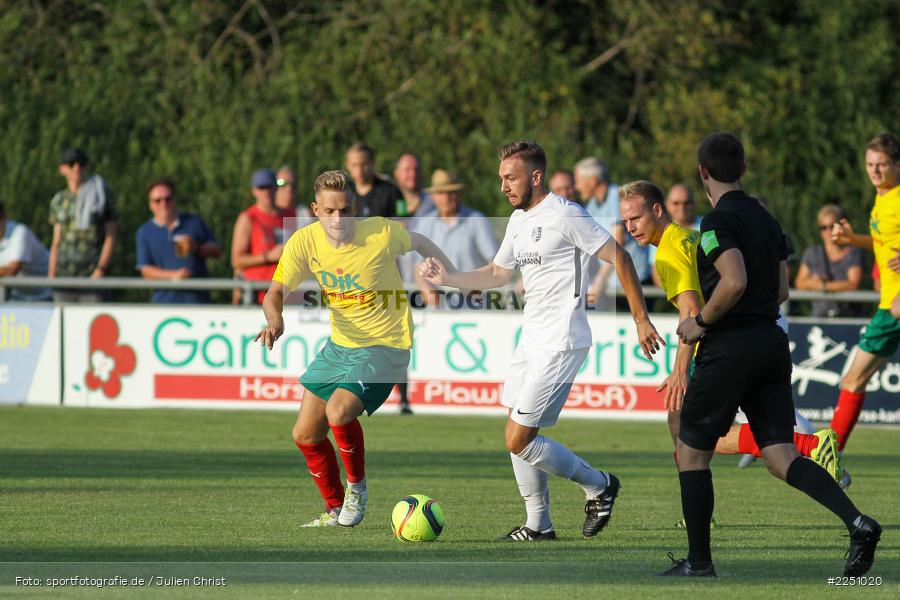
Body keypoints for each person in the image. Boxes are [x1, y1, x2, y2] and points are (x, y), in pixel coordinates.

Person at [420, 140, 665, 541]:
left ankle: (600, 485)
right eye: (501, 178)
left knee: (518, 438)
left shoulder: (566, 214)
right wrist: (447, 278)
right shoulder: (518, 220)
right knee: (516, 431)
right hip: (531, 339)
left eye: (511, 178)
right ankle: (539, 525)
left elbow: (620, 257)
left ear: (535, 176)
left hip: (562, 341)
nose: (504, 186)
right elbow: (497, 273)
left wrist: (640, 319)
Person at [659, 133, 879, 578]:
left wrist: (700, 322)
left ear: (703, 172)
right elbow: (781, 291)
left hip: (730, 347)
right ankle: (858, 522)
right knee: (780, 455)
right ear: (742, 169)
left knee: (691, 451)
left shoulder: (716, 222)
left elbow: (734, 279)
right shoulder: (767, 218)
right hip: (771, 345)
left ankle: (699, 562)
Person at [254, 170, 456, 528]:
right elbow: (274, 293)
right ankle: (334, 510)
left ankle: (357, 491)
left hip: (386, 345)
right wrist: (275, 319)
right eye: (329, 211)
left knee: (338, 411)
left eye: (345, 210)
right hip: (340, 346)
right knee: (304, 434)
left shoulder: (379, 232)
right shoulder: (304, 242)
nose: (338, 219)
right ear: (315, 210)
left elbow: (421, 241)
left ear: (355, 207)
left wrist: (447, 273)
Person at [618, 181, 841, 483]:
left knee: (690, 435)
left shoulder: (669, 252)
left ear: (657, 210)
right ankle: (809, 448)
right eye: (625, 221)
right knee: (690, 428)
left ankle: (809, 445)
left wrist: (679, 370)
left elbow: (691, 312)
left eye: (636, 218)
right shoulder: (690, 236)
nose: (630, 228)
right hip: (746, 333)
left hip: (716, 345)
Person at [828, 133, 900, 452]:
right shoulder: (882, 199)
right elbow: (884, 242)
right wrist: (853, 239)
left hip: (894, 306)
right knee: (854, 380)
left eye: (881, 164)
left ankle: (828, 456)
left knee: (853, 380)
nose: (875, 170)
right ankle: (830, 455)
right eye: (870, 164)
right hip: (890, 306)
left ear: (897, 165)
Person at [412, 170, 499, 305]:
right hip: (437, 306)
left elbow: (495, 264)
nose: (446, 198)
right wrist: (427, 291)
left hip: (473, 303)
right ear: (433, 196)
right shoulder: (425, 224)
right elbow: (418, 265)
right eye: (441, 193)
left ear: (459, 194)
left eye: (451, 192)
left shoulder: (477, 221)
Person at [575, 157, 651, 309]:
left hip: (632, 280)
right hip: (613, 285)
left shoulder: (616, 196)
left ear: (593, 180)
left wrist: (599, 281)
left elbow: (617, 243)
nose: (576, 187)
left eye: (578, 181)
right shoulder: (592, 204)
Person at [135, 178, 221, 304]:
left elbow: (216, 251)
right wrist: (174, 275)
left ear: (174, 200)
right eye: (158, 200)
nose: (163, 204)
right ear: (150, 204)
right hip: (164, 303)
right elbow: (146, 271)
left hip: (198, 301)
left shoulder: (193, 222)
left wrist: (197, 248)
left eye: (168, 199)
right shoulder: (145, 232)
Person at [48, 147, 116, 302]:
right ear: (62, 169)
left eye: (81, 163)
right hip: (64, 277)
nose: (77, 168)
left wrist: (100, 269)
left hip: (92, 277)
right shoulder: (59, 200)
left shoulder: (100, 195)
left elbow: (111, 235)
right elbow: (56, 241)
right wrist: (51, 274)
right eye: (71, 164)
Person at [231, 169, 296, 304]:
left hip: (286, 294)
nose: (266, 192)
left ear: (276, 188)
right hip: (257, 295)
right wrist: (268, 257)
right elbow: (237, 261)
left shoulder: (291, 215)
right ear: (254, 191)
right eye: (261, 188)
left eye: (269, 187)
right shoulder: (248, 218)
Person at [794, 205, 864, 317]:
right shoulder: (812, 252)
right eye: (823, 227)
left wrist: (822, 286)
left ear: (840, 226)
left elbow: (853, 284)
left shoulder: (853, 252)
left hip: (848, 317)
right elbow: (799, 282)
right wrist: (829, 285)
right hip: (820, 317)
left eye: (832, 226)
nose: (828, 231)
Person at [0, 203, 51, 301]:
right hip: (17, 297)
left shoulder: (20, 232)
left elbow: (13, 269)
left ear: (5, 217)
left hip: (46, 296)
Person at [345, 142, 403, 218]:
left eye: (364, 164)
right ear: (347, 165)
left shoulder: (393, 192)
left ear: (372, 163)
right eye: (354, 165)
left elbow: (404, 220)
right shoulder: (343, 193)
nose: (359, 170)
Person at [393, 153, 435, 218]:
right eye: (407, 170)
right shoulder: (387, 202)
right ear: (396, 173)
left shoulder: (433, 202)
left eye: (416, 169)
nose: (413, 174)